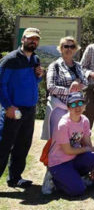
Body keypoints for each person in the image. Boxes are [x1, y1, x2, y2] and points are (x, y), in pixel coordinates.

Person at [41, 36, 87, 194]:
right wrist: (71, 90)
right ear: (60, 49)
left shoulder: (78, 66)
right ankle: (49, 177)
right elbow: (51, 87)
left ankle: (70, 173)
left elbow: (86, 83)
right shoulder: (55, 66)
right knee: (55, 144)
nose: (68, 49)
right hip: (58, 108)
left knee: (73, 141)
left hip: (74, 110)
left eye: (72, 46)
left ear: (75, 49)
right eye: (65, 46)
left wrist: (79, 85)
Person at [0, 27, 44, 188]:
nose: (33, 41)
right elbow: (1, 84)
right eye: (30, 38)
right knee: (4, 146)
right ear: (22, 39)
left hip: (29, 109)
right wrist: (8, 106)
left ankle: (15, 178)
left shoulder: (35, 59)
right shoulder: (10, 59)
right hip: (13, 109)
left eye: (36, 39)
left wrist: (39, 76)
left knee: (23, 145)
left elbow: (34, 81)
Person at [48, 92, 94, 196]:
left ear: (85, 105)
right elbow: (68, 151)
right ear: (68, 108)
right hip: (59, 163)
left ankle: (75, 176)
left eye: (80, 103)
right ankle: (54, 180)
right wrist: (85, 149)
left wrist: (93, 169)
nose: (77, 107)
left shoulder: (85, 120)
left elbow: (88, 144)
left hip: (74, 159)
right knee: (78, 190)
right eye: (73, 104)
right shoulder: (63, 124)